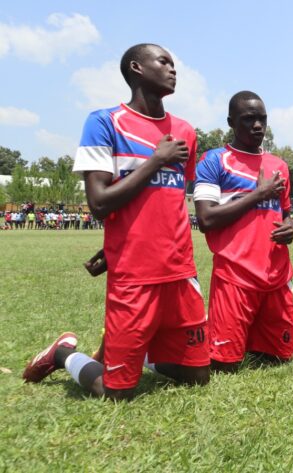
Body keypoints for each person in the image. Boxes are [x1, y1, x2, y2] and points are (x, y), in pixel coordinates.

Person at [23, 43, 210, 400]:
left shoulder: (185, 131)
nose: (173, 69)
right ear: (136, 68)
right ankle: (62, 354)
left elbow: (164, 200)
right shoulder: (104, 122)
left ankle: (134, 354)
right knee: (116, 393)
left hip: (180, 269)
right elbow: (99, 203)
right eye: (164, 61)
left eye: (174, 63)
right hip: (134, 274)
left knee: (198, 376)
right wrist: (156, 160)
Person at [193, 91, 293, 371]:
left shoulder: (279, 166)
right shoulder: (214, 161)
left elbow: (285, 215)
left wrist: (289, 228)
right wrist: (258, 194)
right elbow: (206, 218)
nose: (258, 125)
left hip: (277, 275)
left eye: (262, 119)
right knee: (224, 365)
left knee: (279, 359)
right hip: (235, 276)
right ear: (231, 122)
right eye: (249, 119)